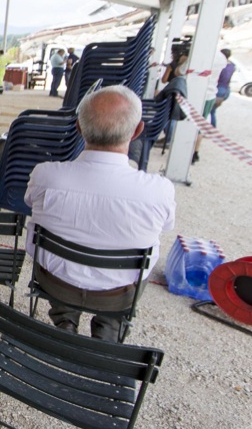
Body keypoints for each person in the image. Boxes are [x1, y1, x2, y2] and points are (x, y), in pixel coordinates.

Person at [24, 85, 176, 340]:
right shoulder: (159, 190)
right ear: (138, 130)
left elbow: (29, 201)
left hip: (55, 284)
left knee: (60, 254)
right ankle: (108, 332)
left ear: (79, 128)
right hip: (118, 295)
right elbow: (166, 225)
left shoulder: (46, 174)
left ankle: (64, 323)